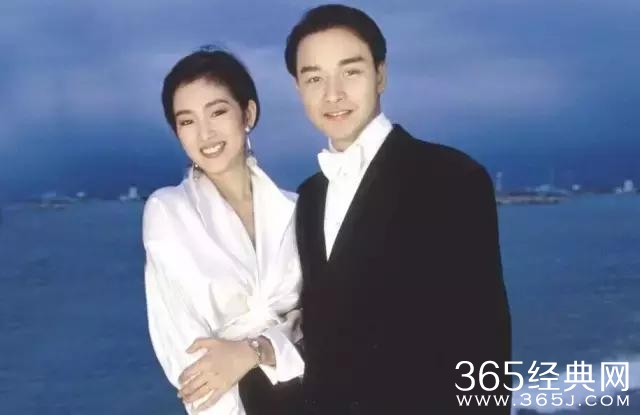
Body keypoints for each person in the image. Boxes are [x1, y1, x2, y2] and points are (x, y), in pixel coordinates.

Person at [285, 5, 512, 414]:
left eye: (350, 72)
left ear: (380, 75)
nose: (332, 94)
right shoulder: (308, 198)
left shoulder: (451, 177)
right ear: (298, 88)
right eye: (314, 78)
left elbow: (486, 344)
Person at [142, 48, 304, 415]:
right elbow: (189, 360)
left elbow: (325, 324)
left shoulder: (297, 210)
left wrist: (252, 351)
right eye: (187, 121)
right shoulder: (169, 211)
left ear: (248, 114)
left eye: (217, 112)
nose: (205, 133)